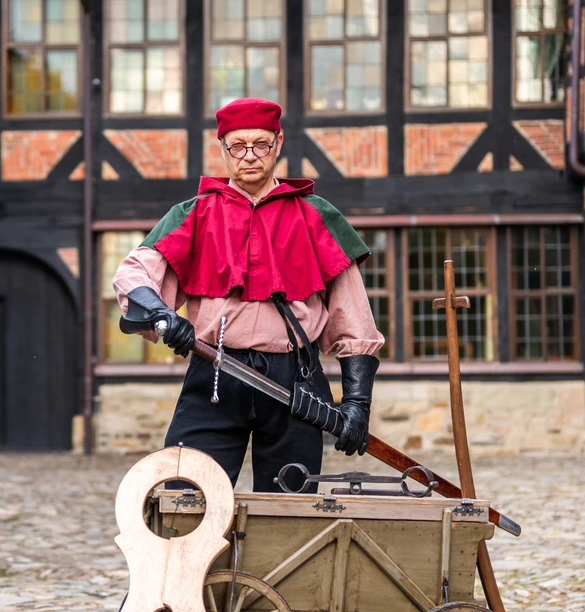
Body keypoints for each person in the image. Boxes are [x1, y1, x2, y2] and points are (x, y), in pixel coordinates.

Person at [112, 98, 385, 493]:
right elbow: (133, 273)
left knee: (289, 512)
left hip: (296, 382)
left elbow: (353, 316)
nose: (249, 156)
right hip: (215, 372)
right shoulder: (193, 213)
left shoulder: (316, 216)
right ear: (223, 148)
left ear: (278, 144)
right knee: (186, 497)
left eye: (260, 144)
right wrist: (161, 314)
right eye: (237, 146)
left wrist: (357, 404)